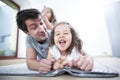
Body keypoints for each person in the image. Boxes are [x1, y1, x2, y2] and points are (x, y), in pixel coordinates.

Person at [16, 8, 93, 73]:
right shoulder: (29, 39)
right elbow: (30, 61)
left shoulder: (55, 35)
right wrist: (40, 66)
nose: (42, 29)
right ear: (27, 32)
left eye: (41, 23)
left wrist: (89, 60)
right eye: (34, 27)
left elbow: (81, 51)